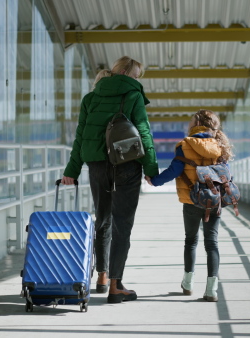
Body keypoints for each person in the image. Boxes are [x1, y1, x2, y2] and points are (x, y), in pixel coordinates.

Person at [61, 56, 159, 304]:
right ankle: (116, 285)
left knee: (102, 217)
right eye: (137, 74)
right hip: (126, 164)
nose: (137, 79)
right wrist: (151, 167)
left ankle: (102, 276)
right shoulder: (133, 95)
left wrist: (72, 168)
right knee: (122, 223)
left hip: (97, 167)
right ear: (126, 72)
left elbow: (80, 135)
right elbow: (143, 132)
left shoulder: (90, 98)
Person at [145, 109, 233, 302]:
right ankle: (212, 290)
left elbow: (174, 170)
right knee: (212, 243)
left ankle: (188, 283)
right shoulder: (220, 145)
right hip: (213, 200)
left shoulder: (185, 145)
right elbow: (226, 174)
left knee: (191, 241)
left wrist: (154, 181)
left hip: (192, 200)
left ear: (195, 124)